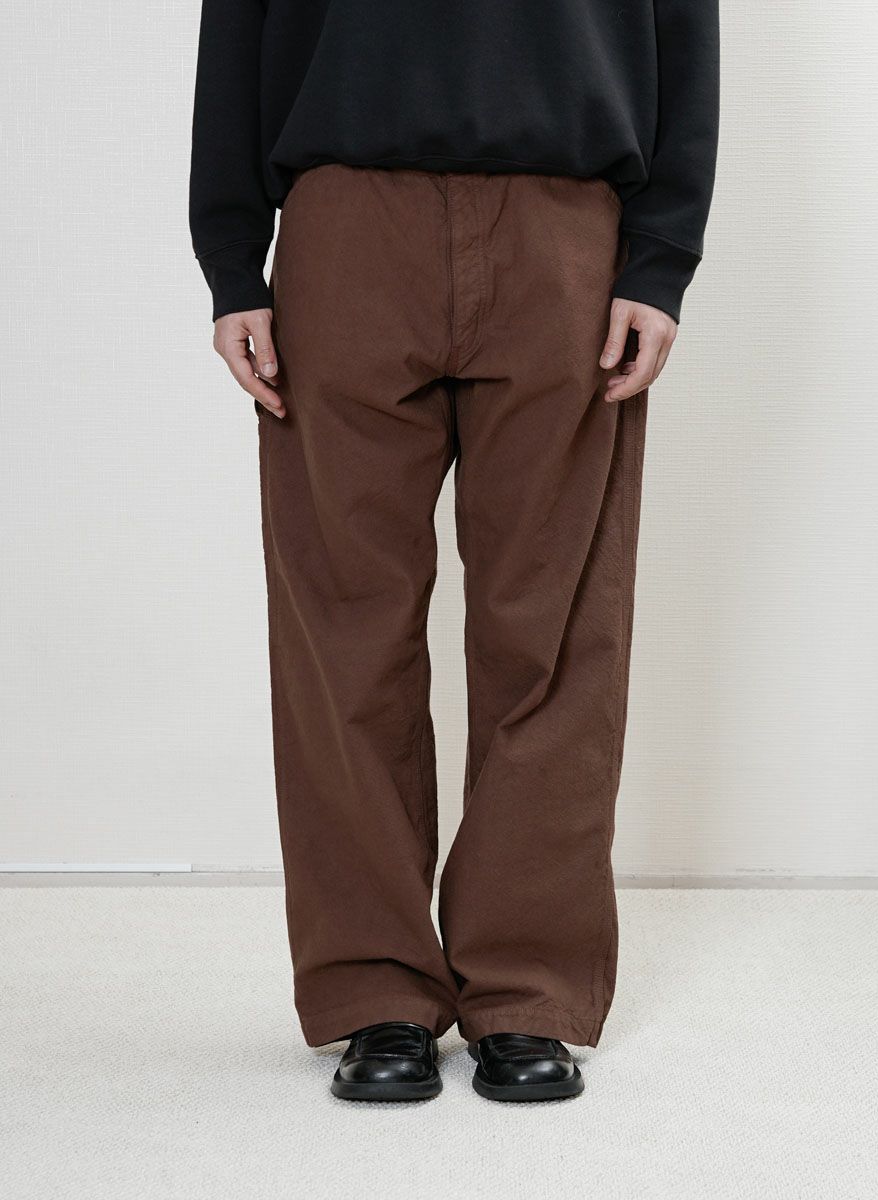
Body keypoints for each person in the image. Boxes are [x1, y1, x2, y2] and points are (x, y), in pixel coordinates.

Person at [189, 0, 718, 1103]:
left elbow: (683, 17)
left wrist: (661, 255)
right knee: (344, 629)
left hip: (565, 223)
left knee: (554, 627)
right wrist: (233, 259)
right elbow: (238, 20)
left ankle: (526, 989)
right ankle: (374, 988)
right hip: (345, 219)